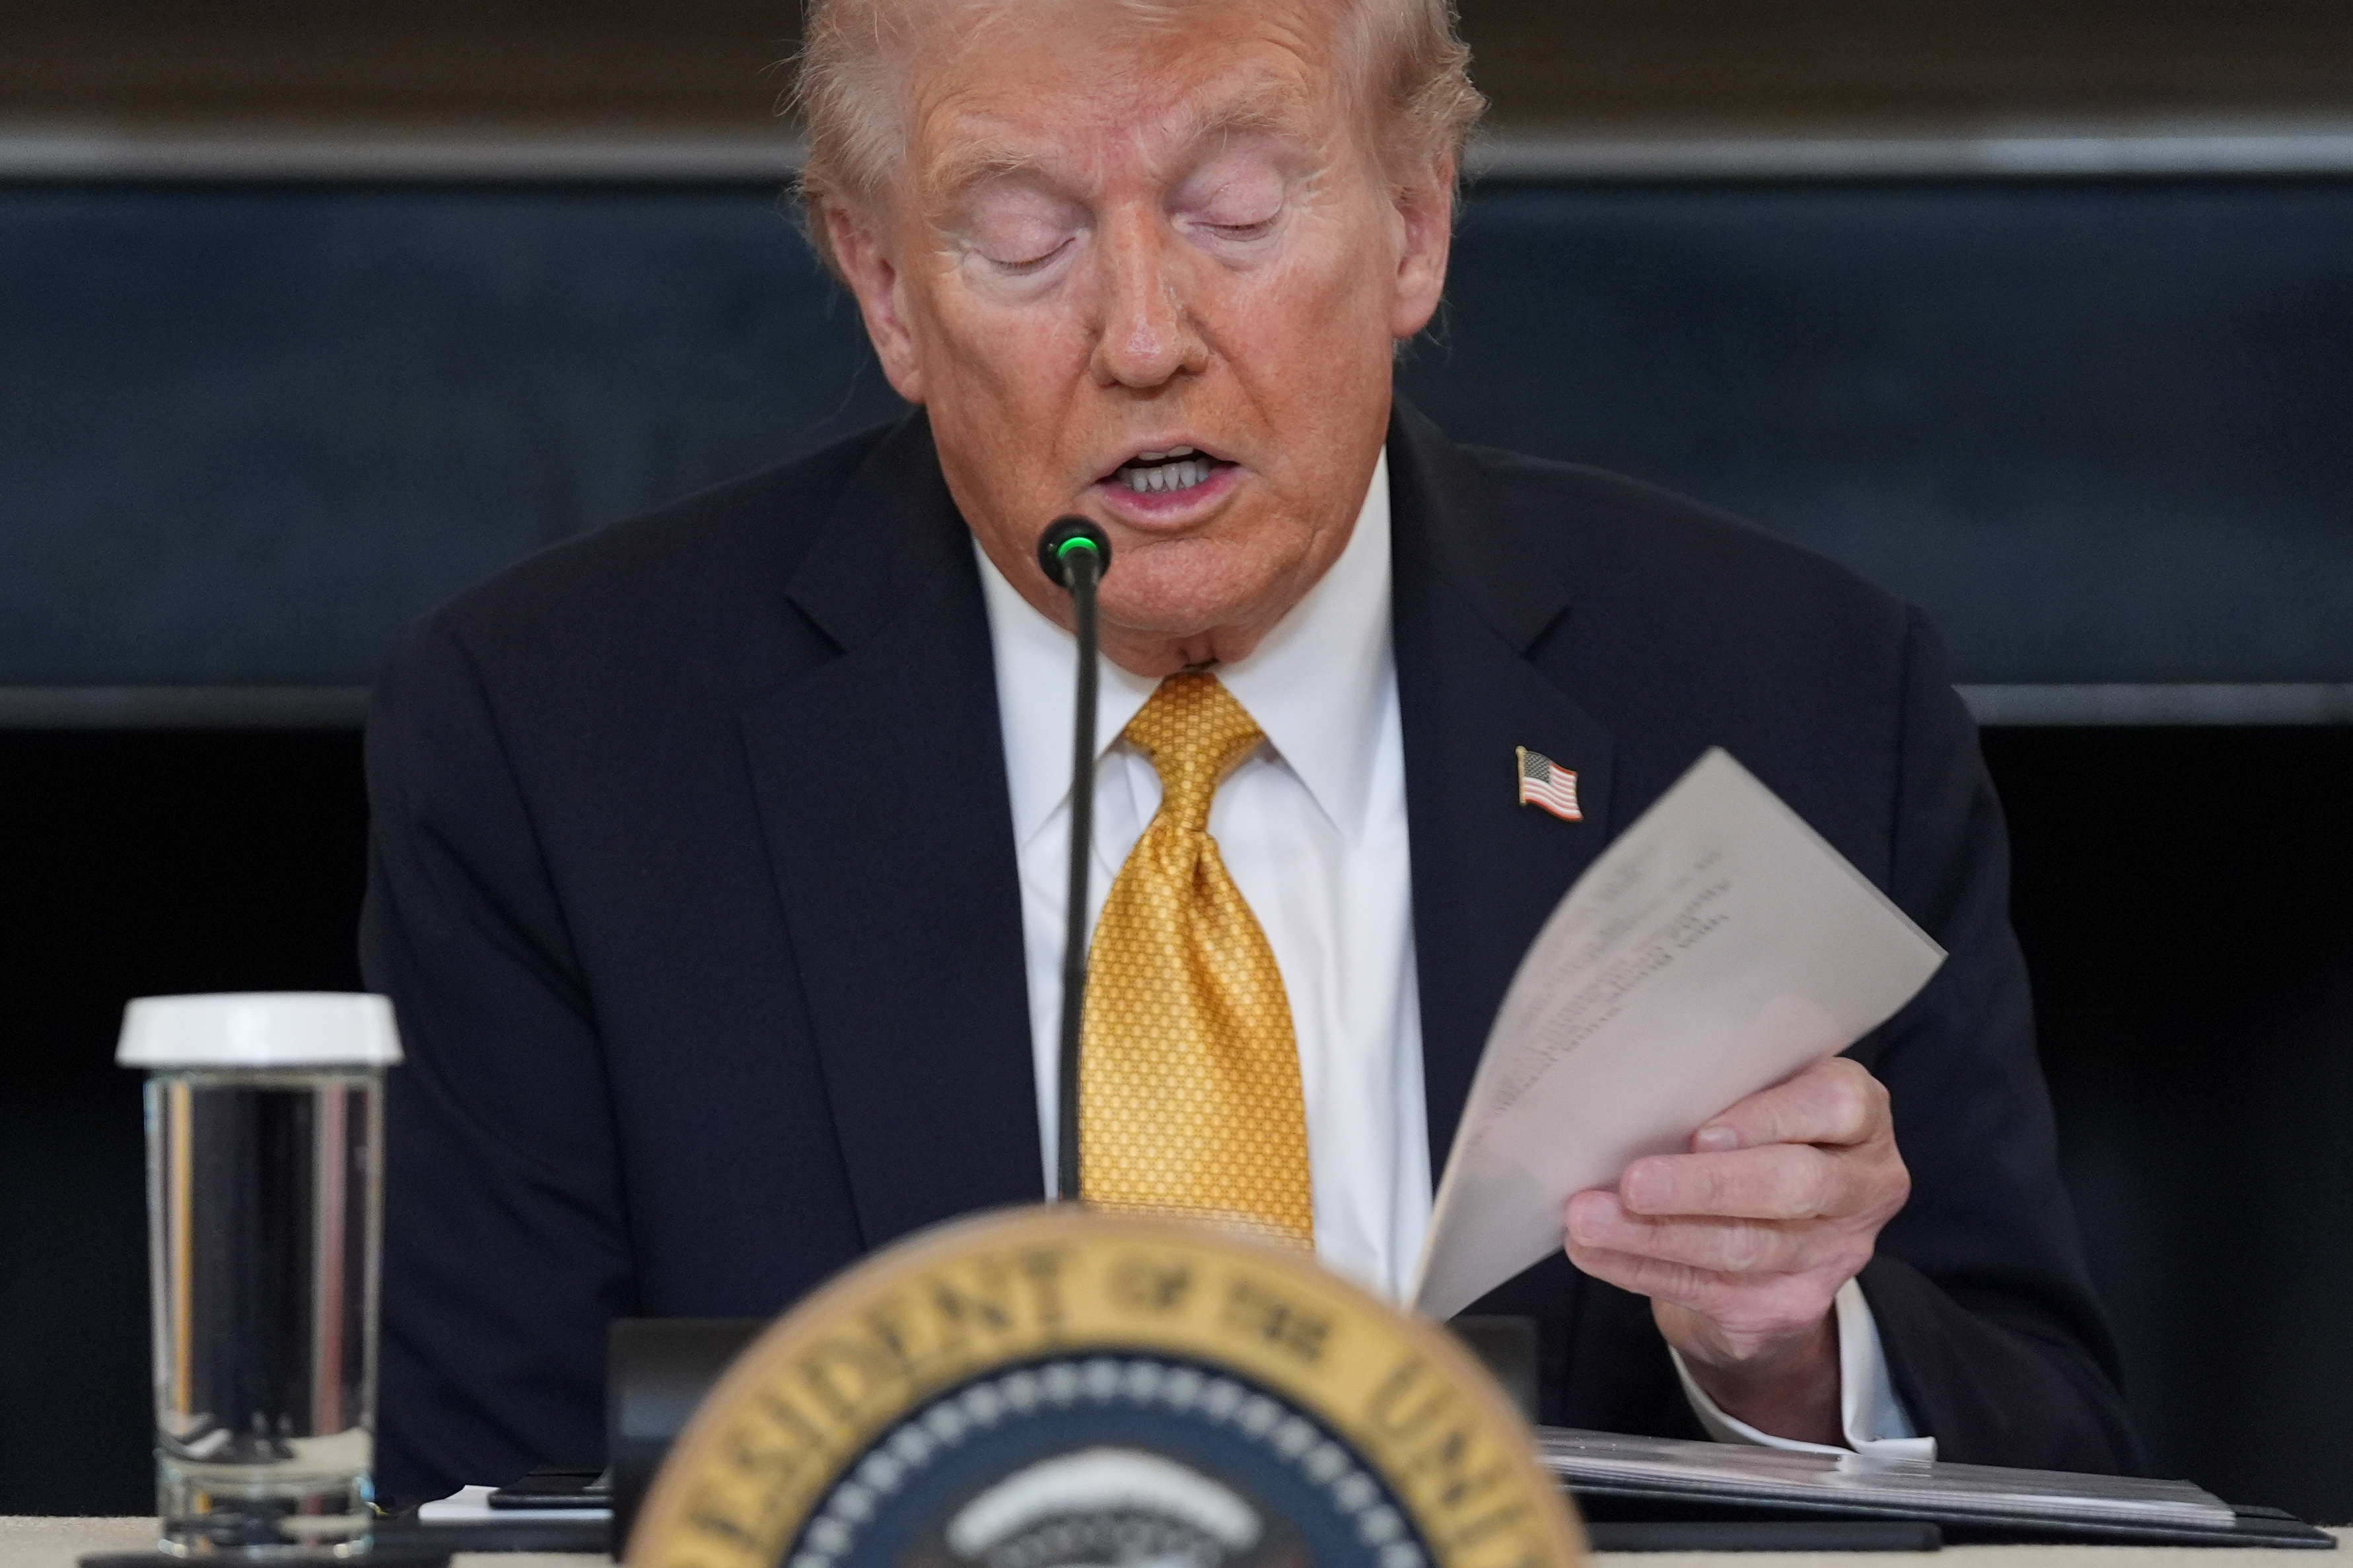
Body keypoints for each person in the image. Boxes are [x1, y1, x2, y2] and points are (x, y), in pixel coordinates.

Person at [361, 0, 2142, 1503]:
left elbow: (2065, 1469)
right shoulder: (561, 742)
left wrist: (1784, 1353)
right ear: (886, 289)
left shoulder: (1784, 694)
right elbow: (483, 1497)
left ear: (1415, 224)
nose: (1144, 340)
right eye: (1026, 239)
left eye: (1233, 213)